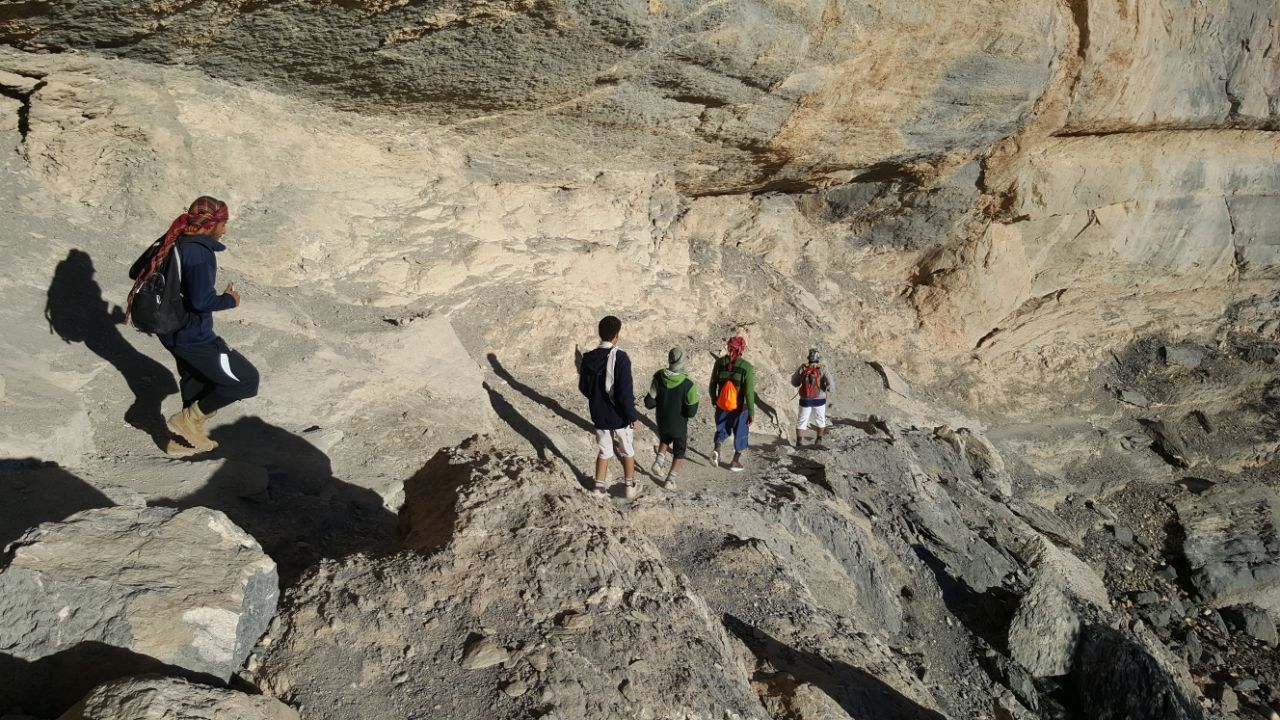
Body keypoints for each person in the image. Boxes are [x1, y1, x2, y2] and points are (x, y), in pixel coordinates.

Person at [126, 196, 259, 453]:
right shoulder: (199, 253)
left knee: (196, 379)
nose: (225, 230)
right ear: (211, 224)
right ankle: (188, 421)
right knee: (245, 380)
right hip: (191, 334)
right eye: (224, 224)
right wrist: (230, 300)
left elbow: (136, 272)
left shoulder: (175, 238)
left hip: (169, 328)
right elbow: (201, 302)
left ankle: (179, 441)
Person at [577, 315, 639, 497]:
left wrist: (596, 399)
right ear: (616, 335)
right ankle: (629, 486)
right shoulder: (620, 358)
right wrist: (632, 416)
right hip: (619, 415)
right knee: (627, 450)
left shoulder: (588, 358)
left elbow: (583, 387)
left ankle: (598, 487)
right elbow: (624, 393)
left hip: (599, 413)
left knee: (604, 451)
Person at [644, 347, 699, 489]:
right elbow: (692, 412)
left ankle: (659, 461)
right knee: (679, 451)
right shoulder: (689, 385)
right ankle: (670, 480)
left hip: (662, 422)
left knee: (666, 438)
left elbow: (649, 403)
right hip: (679, 425)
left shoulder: (658, 377)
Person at [709, 335, 755, 471]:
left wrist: (714, 400)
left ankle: (717, 449)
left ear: (729, 347)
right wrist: (751, 412)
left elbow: (712, 385)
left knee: (721, 429)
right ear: (741, 349)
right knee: (741, 434)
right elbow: (749, 393)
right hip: (740, 408)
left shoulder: (719, 363)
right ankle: (735, 462)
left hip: (722, 405)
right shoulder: (746, 367)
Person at [791, 348, 834, 447]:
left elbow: (794, 382)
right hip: (819, 400)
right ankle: (819, 439)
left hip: (805, 399)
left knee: (802, 420)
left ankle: (799, 442)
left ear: (809, 357)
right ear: (818, 358)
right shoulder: (822, 368)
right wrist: (827, 389)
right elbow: (831, 385)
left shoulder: (803, 367)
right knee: (820, 419)